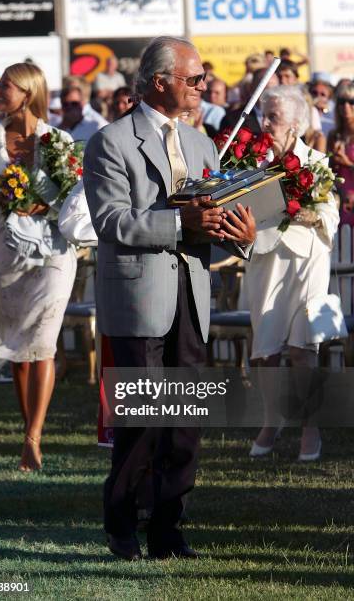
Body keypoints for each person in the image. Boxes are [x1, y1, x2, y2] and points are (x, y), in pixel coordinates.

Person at [84, 36, 256, 561]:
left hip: (192, 298)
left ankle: (168, 527)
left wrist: (242, 235)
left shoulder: (203, 145)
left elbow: (214, 220)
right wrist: (179, 221)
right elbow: (111, 221)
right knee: (142, 422)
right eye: (194, 79)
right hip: (137, 299)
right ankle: (122, 523)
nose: (203, 87)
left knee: (184, 425)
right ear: (160, 82)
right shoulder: (110, 142)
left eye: (203, 79)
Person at [0, 63, 77, 472]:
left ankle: (34, 436)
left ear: (28, 92)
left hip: (53, 252)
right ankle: (26, 431)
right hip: (7, 252)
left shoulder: (59, 140)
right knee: (17, 349)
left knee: (44, 342)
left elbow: (74, 197)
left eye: (5, 87)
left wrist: (47, 205)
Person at [245, 86, 339, 461]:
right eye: (263, 115)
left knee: (303, 350)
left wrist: (309, 213)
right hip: (266, 259)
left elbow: (329, 215)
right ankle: (272, 419)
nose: (265, 124)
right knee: (266, 354)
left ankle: (310, 427)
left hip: (307, 260)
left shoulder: (316, 162)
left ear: (297, 125)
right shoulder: (251, 164)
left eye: (274, 118)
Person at [327, 83, 354, 213]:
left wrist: (347, 163)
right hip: (339, 198)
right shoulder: (334, 135)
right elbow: (328, 172)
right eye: (342, 102)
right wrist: (334, 159)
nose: (346, 106)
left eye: (351, 101)